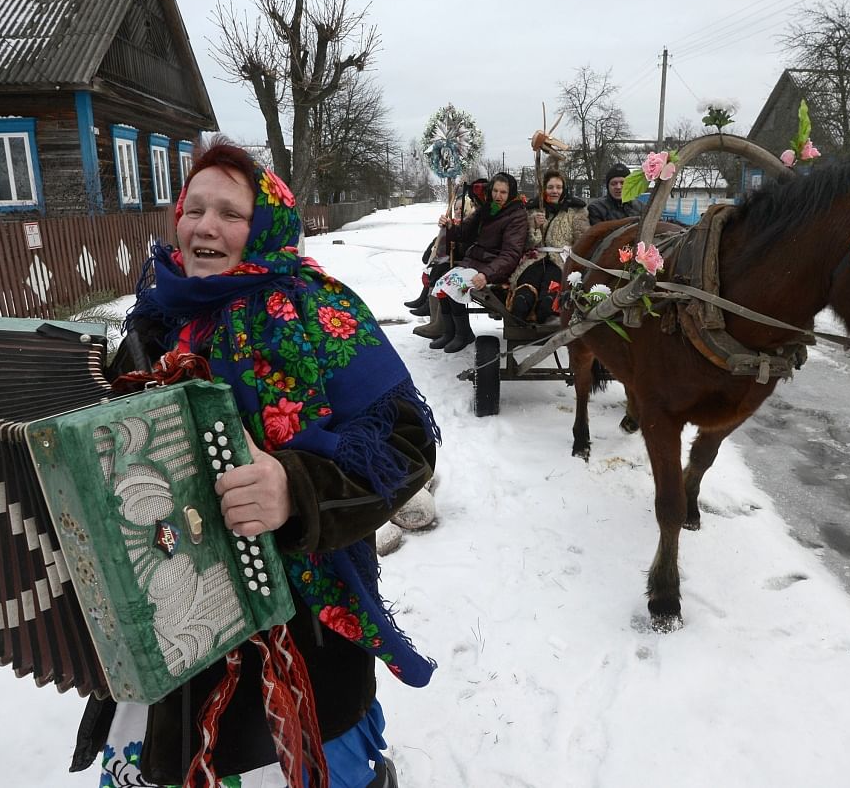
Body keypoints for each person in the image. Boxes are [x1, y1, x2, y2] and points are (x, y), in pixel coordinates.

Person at [79, 136, 440, 788]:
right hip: (169, 618)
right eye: (194, 208)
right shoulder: (155, 315)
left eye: (230, 213)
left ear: (266, 225)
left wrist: (294, 489)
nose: (205, 226)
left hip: (297, 626)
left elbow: (406, 443)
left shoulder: (319, 312)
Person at [430, 172, 527, 353]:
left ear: (511, 193)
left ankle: (463, 334)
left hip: (494, 267)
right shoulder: (486, 209)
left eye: (503, 192)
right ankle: (451, 331)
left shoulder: (517, 215)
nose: (498, 196)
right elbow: (464, 233)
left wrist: (487, 274)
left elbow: (511, 254)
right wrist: (450, 226)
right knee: (441, 283)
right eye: (495, 191)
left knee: (453, 285)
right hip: (475, 261)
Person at [508, 170, 589, 323]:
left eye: (558, 187)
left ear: (564, 189)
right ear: (544, 189)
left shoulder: (576, 210)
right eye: (550, 187)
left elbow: (583, 240)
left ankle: (544, 315)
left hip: (561, 261)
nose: (554, 191)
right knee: (523, 297)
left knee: (549, 298)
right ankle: (521, 316)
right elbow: (525, 243)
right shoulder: (533, 209)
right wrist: (535, 226)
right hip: (535, 259)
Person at [410, 180, 486, 341]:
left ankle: (443, 324)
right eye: (456, 209)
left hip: (469, 262)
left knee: (442, 273)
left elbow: (467, 244)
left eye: (461, 209)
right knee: (435, 270)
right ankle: (438, 320)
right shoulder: (468, 221)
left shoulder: (475, 220)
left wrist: (453, 237)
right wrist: (446, 232)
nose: (458, 211)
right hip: (463, 260)